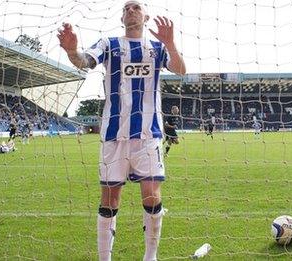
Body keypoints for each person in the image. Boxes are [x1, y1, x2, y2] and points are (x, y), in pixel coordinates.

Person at [57, 1, 186, 260]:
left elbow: (181, 70)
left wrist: (170, 43)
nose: (130, 10)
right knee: (109, 201)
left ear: (145, 16)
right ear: (122, 17)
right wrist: (72, 51)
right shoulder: (109, 44)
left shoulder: (158, 48)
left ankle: (150, 257)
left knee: (151, 196)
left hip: (149, 136)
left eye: (136, 6)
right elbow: (83, 61)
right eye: (126, 8)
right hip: (114, 137)